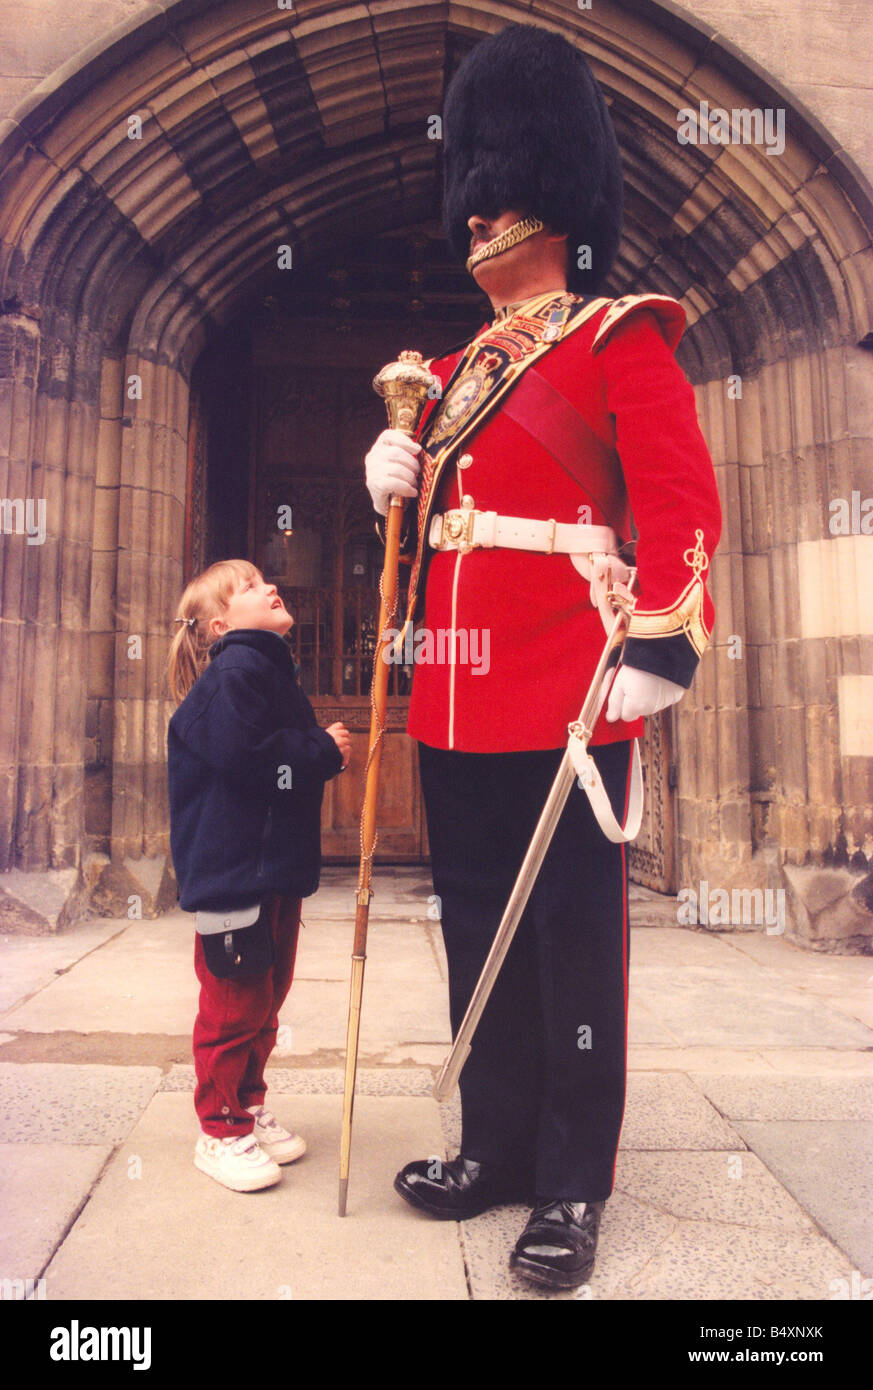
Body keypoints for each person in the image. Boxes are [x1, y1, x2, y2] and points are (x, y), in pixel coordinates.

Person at [364, 23, 722, 1288]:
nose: (475, 228)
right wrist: (390, 480)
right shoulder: (454, 371)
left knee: (572, 943)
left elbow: (681, 505)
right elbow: (438, 536)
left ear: (554, 207)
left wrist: (663, 651)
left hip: (571, 691)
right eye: (471, 207)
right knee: (480, 934)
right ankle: (500, 1145)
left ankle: (572, 1180)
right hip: (453, 699)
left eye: (495, 205)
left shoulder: (621, 338)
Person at [165, 559, 351, 1192]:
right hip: (235, 876)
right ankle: (218, 1130)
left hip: (266, 870)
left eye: (265, 577)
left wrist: (313, 752)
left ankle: (244, 1104)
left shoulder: (266, 669)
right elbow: (248, 760)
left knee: (264, 1000)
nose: (268, 585)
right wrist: (322, 751)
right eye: (247, 587)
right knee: (232, 1005)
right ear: (221, 624)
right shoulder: (236, 671)